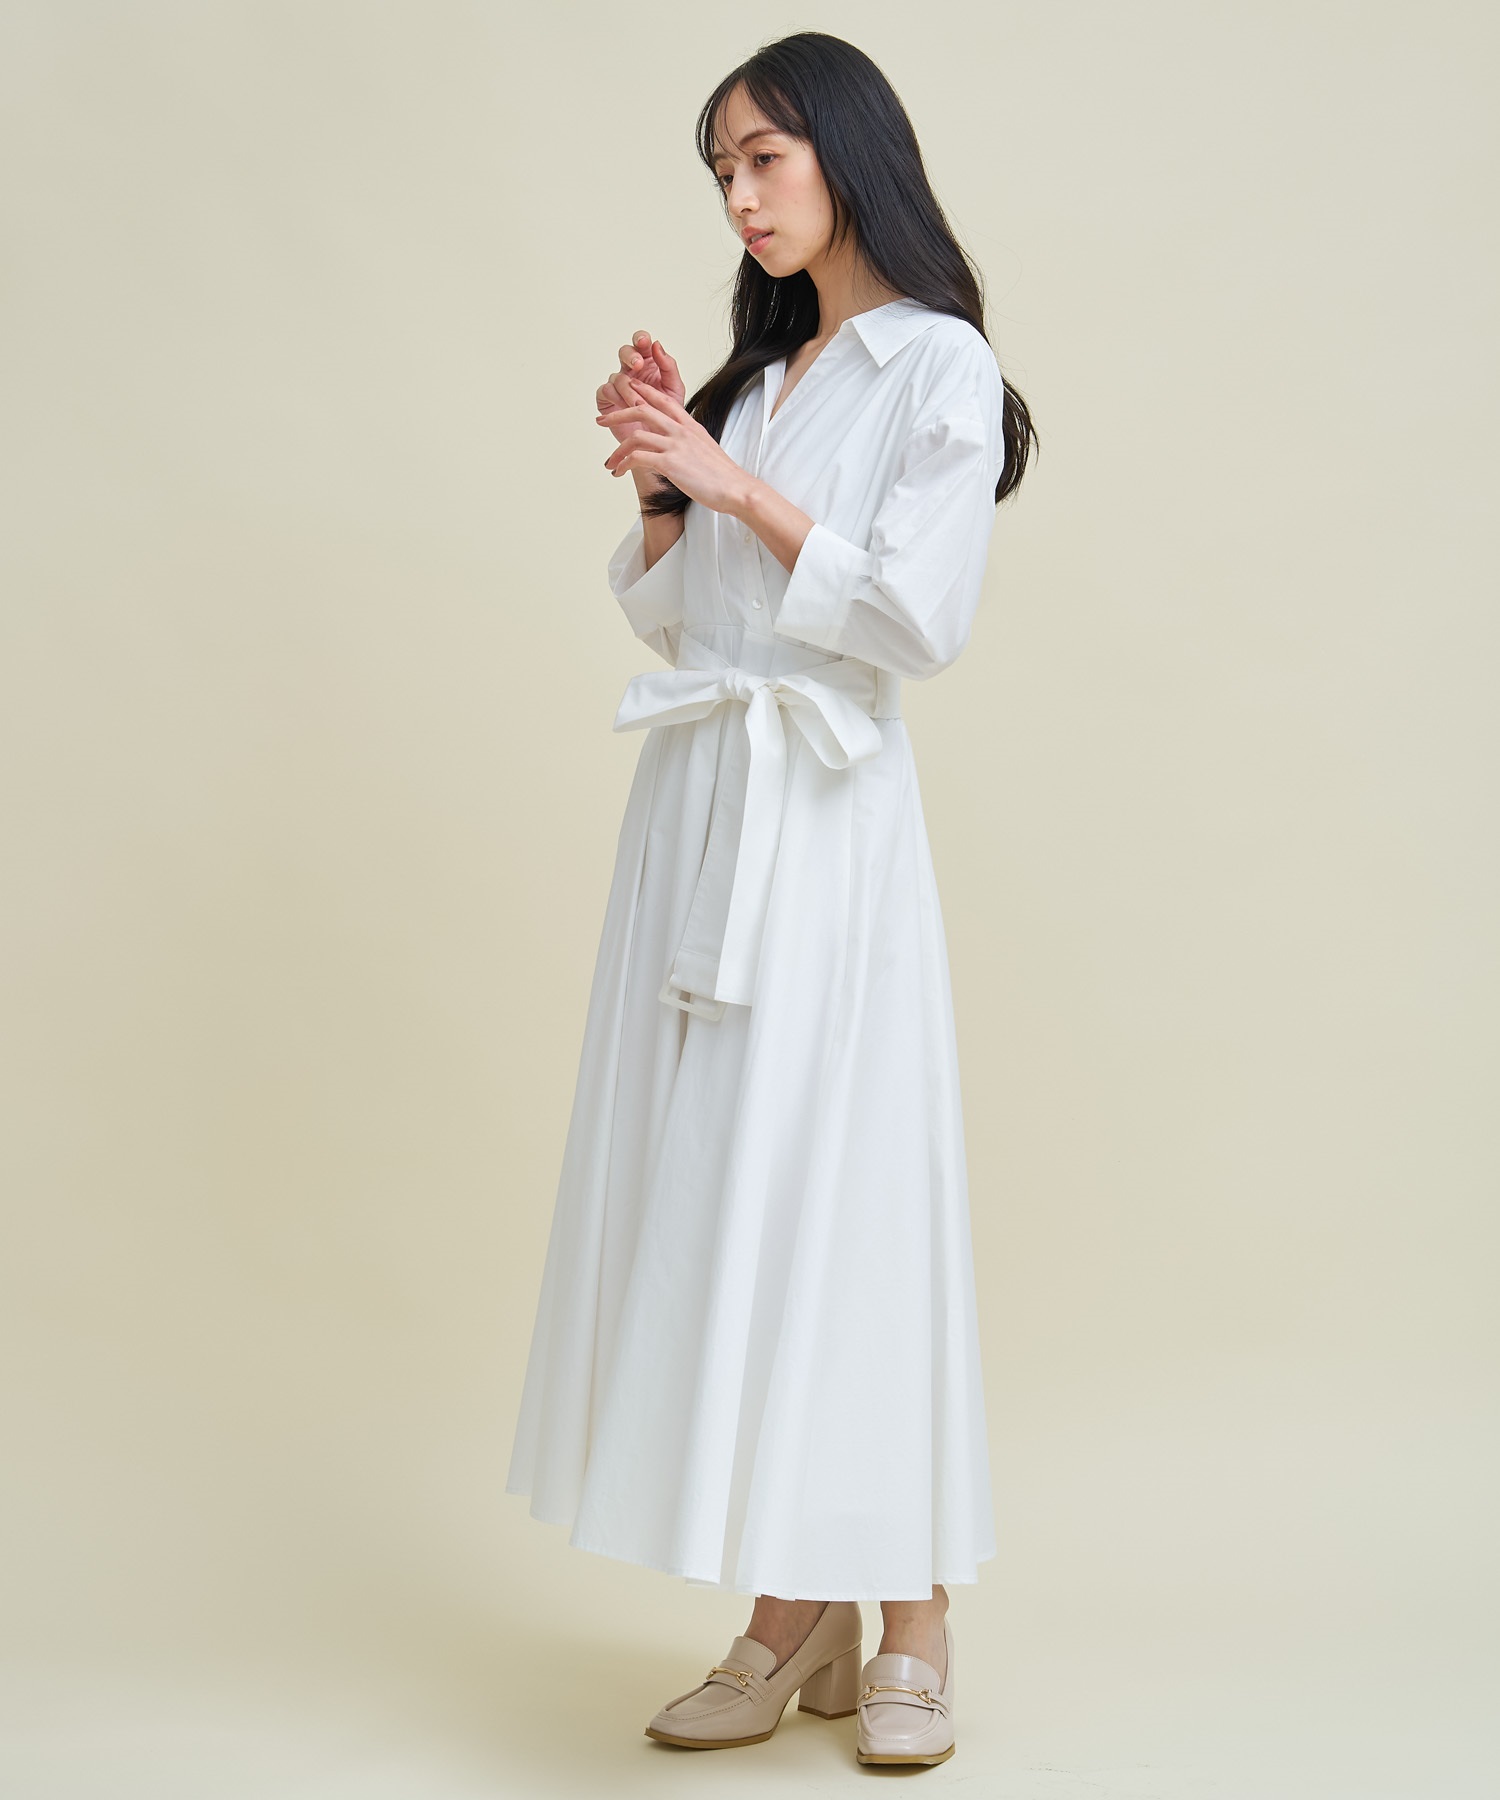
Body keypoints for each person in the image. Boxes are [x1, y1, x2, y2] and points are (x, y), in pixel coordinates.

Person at [505, 30, 1037, 1769]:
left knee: (852, 1191)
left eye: (764, 159)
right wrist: (672, 488)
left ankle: (915, 1611)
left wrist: (736, 481)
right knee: (737, 1196)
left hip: (826, 823)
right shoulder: (763, 382)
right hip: (704, 817)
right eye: (720, 170)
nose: (738, 197)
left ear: (848, 153)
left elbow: (918, 620)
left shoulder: (935, 363)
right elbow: (686, 628)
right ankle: (793, 1604)